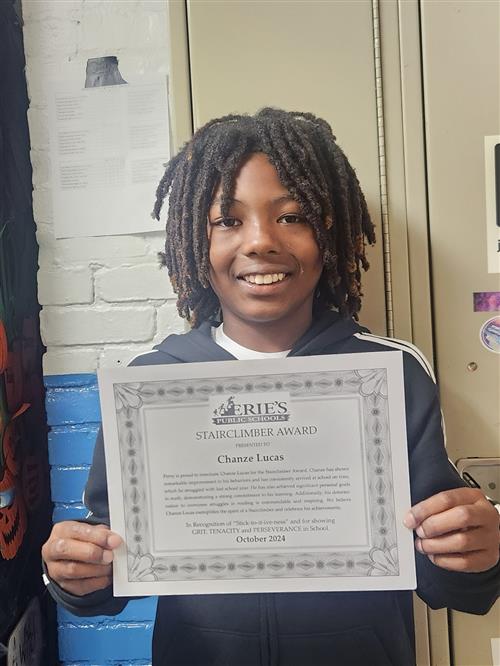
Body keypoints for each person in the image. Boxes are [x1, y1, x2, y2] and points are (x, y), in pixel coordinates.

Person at [42, 108, 500, 666]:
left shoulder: (390, 372)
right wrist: (77, 572)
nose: (260, 242)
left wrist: (477, 553)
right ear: (193, 241)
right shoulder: (151, 384)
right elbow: (111, 574)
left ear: (329, 234)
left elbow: (445, 582)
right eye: (228, 221)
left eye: (293, 216)